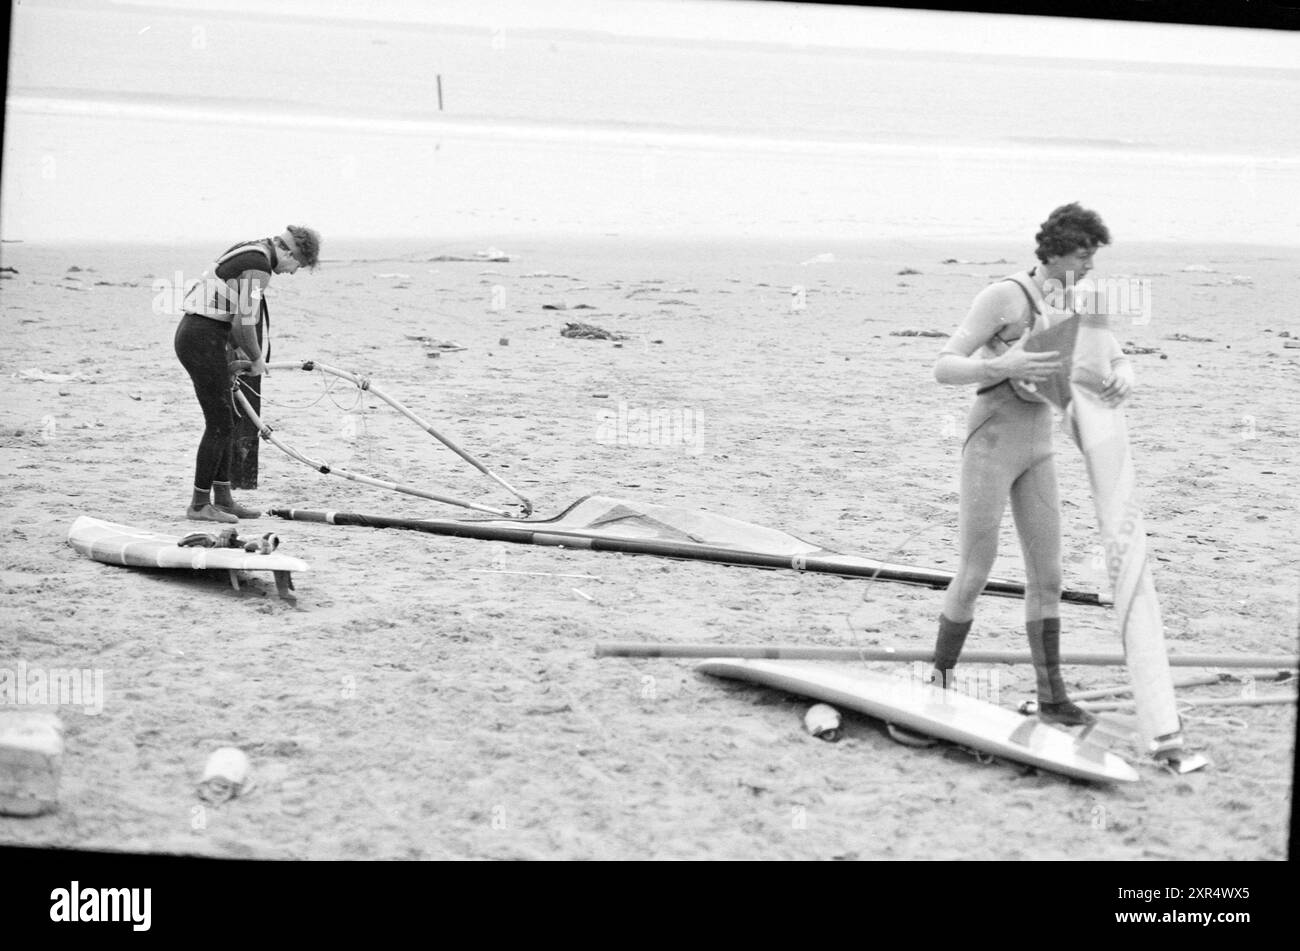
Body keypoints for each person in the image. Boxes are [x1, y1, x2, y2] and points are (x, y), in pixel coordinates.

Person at [929, 203, 1132, 725]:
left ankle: (1052, 699)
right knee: (976, 570)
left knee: (1049, 575)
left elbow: (1114, 357)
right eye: (1082, 256)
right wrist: (1002, 364)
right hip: (991, 446)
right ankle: (939, 683)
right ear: (1055, 251)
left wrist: (1124, 376)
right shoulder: (1004, 296)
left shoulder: (1076, 304)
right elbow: (944, 366)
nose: (1089, 266)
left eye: (1093, 256)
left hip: (1039, 449)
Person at [174, 225, 321, 522]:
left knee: (230, 419)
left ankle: (224, 499)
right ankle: (200, 505)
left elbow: (230, 306)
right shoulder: (259, 266)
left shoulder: (253, 250)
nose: (292, 272)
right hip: (202, 339)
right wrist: (255, 359)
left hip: (205, 336)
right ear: (289, 253)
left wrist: (236, 351)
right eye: (298, 266)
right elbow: (244, 321)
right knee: (219, 423)